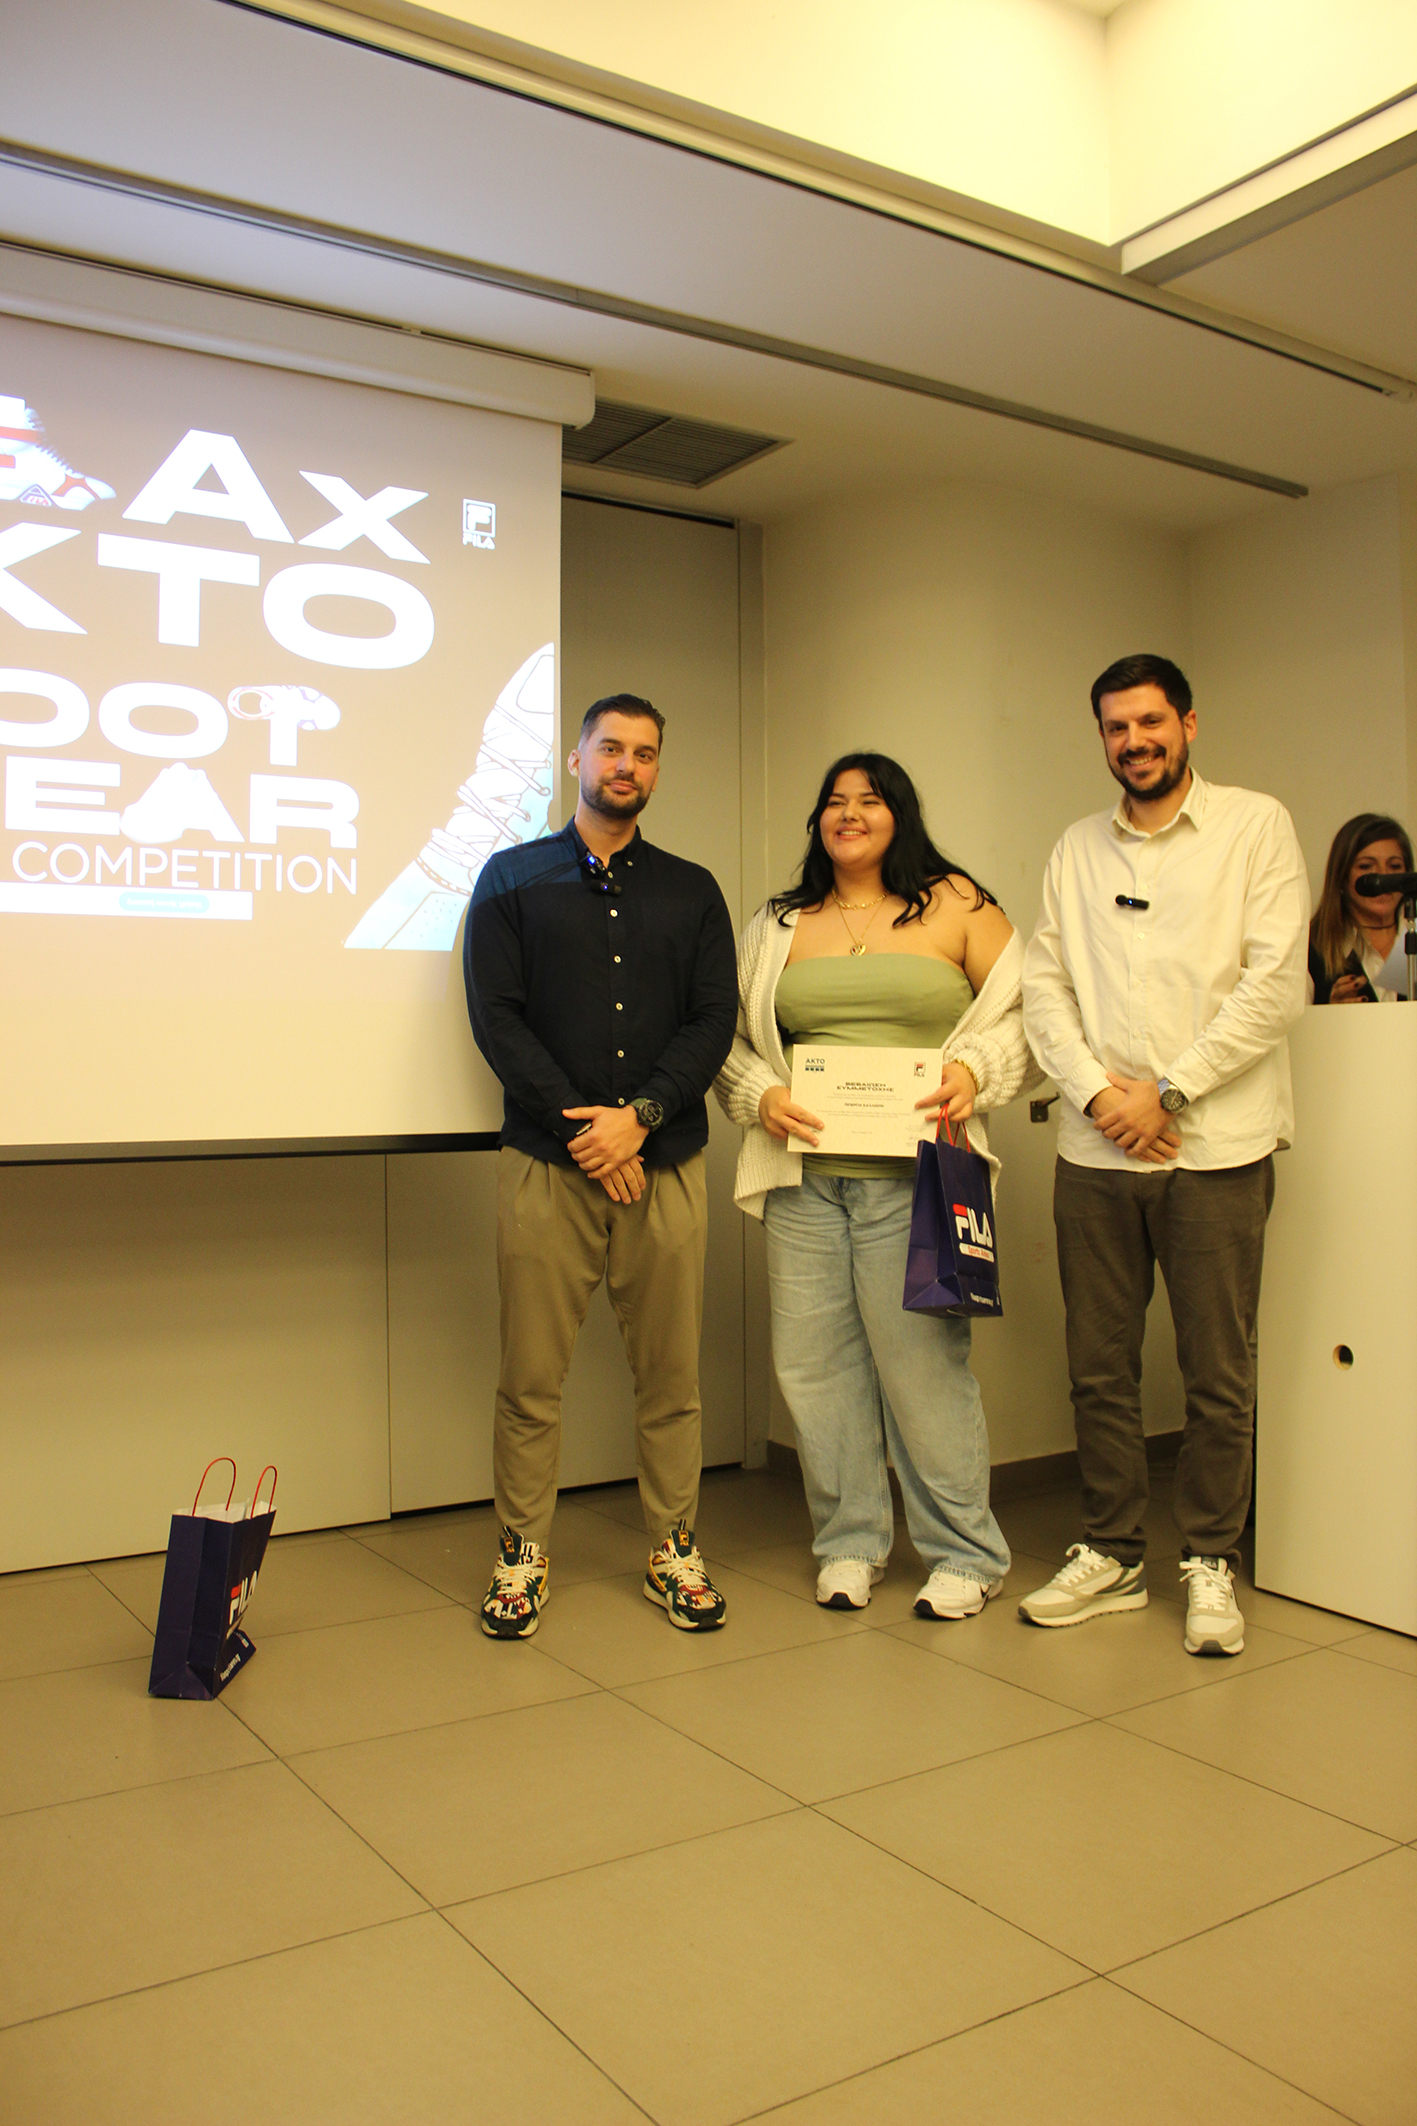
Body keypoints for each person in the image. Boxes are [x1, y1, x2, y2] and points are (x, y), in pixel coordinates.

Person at [1021, 652, 1309, 1657]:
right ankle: (1112, 1551)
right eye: (1115, 727)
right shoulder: (1075, 848)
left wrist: (1168, 1091)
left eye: (1149, 722)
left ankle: (1209, 1559)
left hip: (1214, 1148)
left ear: (1187, 724)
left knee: (1216, 1372)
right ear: (1101, 737)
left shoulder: (1254, 826)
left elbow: (1275, 984)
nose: (1133, 741)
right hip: (1095, 1151)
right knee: (1098, 1368)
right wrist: (1104, 1097)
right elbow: (1043, 988)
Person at [715, 753, 1039, 1619]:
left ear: (900, 814)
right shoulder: (777, 923)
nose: (849, 813)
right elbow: (728, 1039)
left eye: (869, 800)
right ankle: (849, 1545)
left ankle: (965, 1555)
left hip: (921, 1183)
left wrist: (976, 1069)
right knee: (815, 1372)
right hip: (803, 1183)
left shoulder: (957, 902)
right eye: (834, 800)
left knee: (924, 1371)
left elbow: (1033, 1014)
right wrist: (759, 1094)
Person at [465, 692, 738, 1639]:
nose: (627, 765)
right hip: (548, 1164)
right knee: (530, 1379)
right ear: (575, 758)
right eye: (610, 748)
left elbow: (713, 1019)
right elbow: (497, 1019)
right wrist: (590, 1133)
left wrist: (641, 1119)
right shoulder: (510, 878)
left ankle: (673, 1549)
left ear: (657, 769)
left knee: (671, 1379)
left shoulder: (692, 891)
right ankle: (521, 1553)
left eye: (644, 753)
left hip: (666, 1165)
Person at [1307, 812, 1414, 1003]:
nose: (1382, 877)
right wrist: (1329, 1013)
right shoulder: (1310, 948)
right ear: (1342, 877)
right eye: (1366, 866)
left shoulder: (1412, 935)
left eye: (1394, 866)